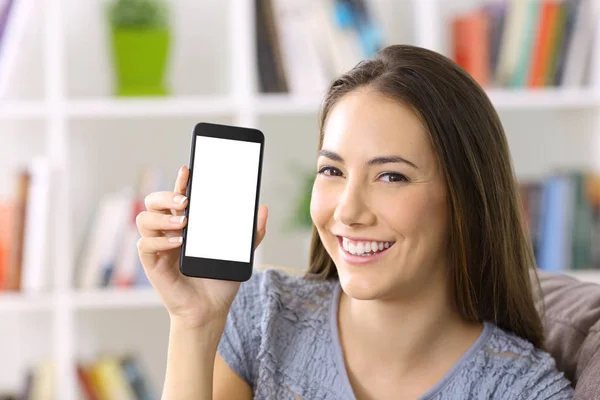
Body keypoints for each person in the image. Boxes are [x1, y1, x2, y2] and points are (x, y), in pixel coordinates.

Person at [135, 45, 573, 399]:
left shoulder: (520, 388)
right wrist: (195, 322)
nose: (348, 211)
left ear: (466, 199)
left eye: (391, 176)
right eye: (332, 170)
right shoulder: (261, 318)